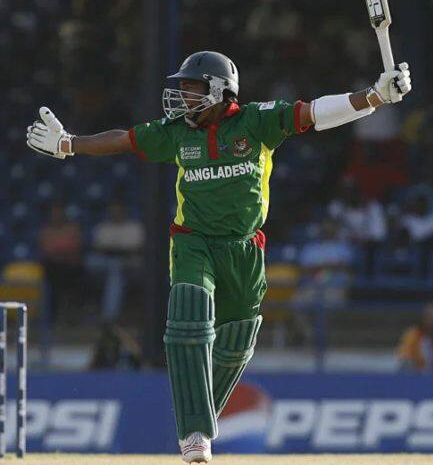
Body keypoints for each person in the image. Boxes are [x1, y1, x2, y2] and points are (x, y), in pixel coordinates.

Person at [26, 50, 412, 463]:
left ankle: (202, 416)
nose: (182, 98)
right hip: (193, 241)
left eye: (192, 90)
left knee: (237, 343)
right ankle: (194, 433)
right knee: (188, 316)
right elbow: (124, 139)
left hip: (244, 248)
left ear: (219, 90)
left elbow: (315, 113)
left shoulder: (256, 121)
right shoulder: (177, 132)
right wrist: (68, 143)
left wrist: (373, 96)